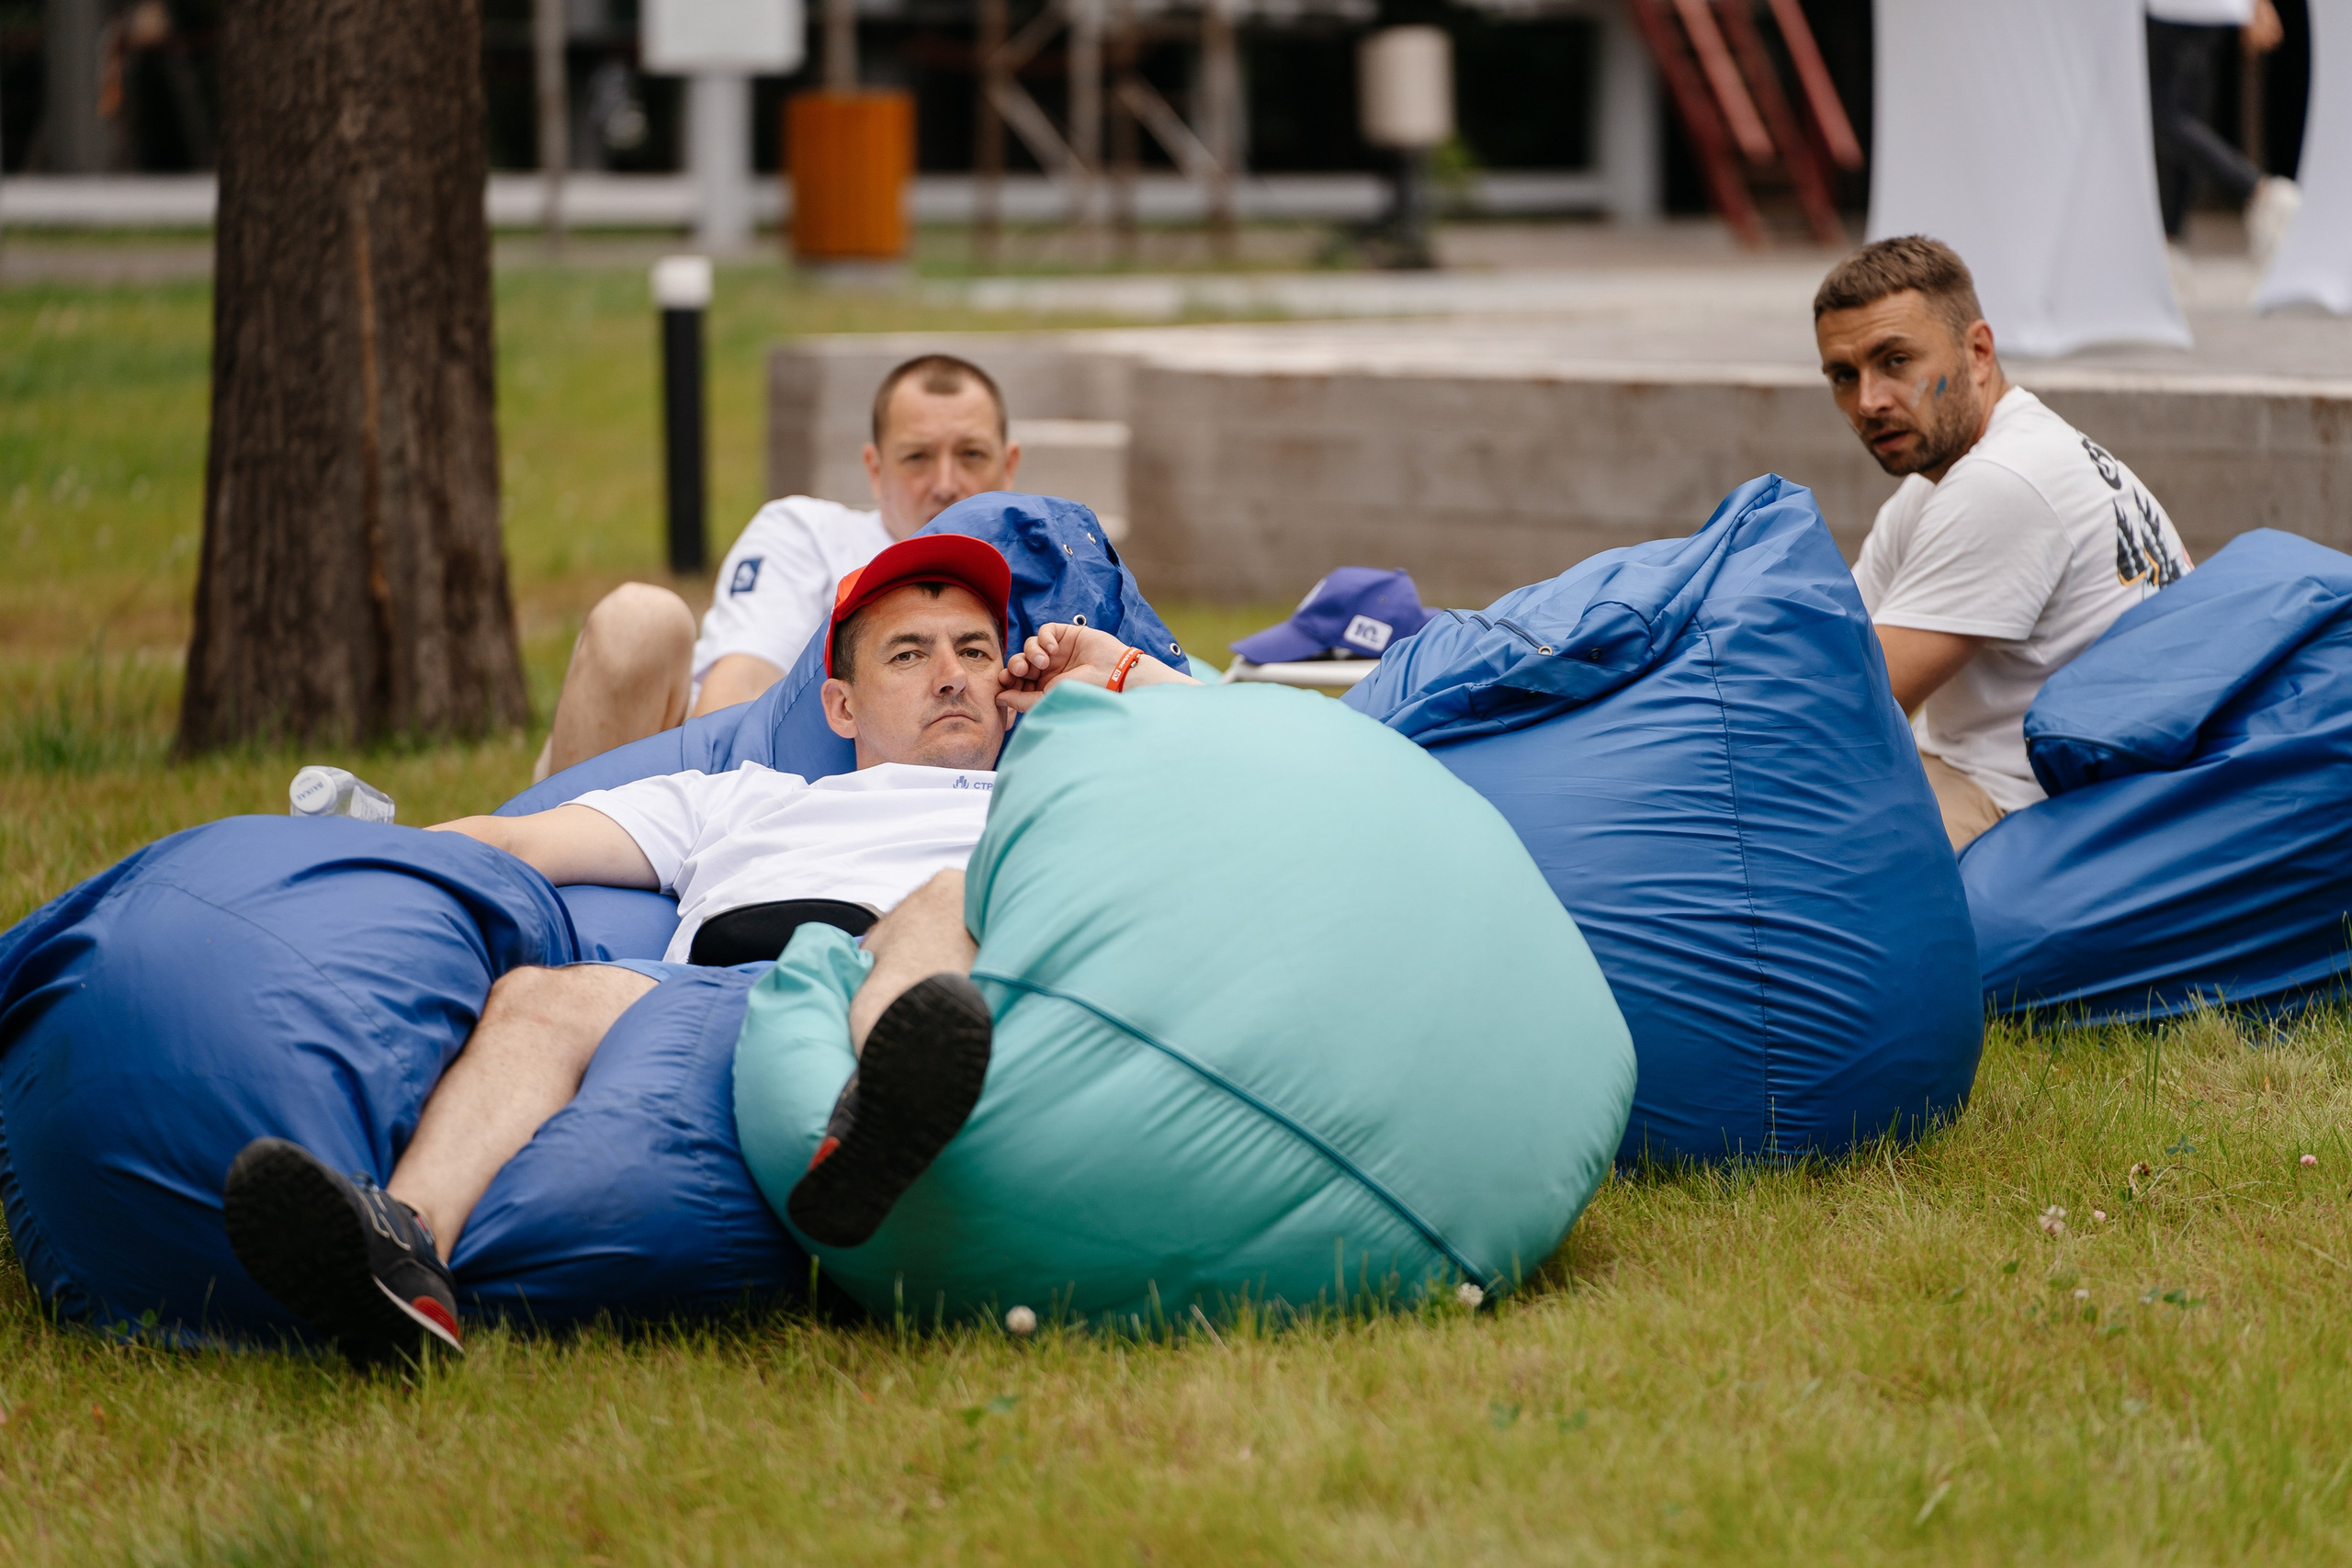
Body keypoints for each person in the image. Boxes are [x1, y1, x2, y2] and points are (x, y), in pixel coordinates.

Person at [215, 535, 1178, 1368]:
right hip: (700, 993)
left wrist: (1114, 673)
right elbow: (520, 842)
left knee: (945, 896)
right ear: (839, 707)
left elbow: (1255, 759)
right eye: (909, 654)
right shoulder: (742, 793)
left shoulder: (1046, 787)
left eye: (975, 650)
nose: (952, 674)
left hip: (882, 990)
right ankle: (401, 1254)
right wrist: (343, 855)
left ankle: (872, 1123)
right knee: (538, 997)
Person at [1813, 236, 2195, 853]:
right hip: (1987, 766)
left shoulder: (2005, 482)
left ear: (1979, 352)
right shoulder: (1942, 484)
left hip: (2030, 798)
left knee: (1775, 862)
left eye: (1895, 361)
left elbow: (1846, 702)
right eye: (1843, 375)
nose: (1868, 401)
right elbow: (1832, 643)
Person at [529, 354, 1024, 783]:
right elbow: (734, 696)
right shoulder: (805, 532)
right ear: (875, 470)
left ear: (1010, 464)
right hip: (734, 783)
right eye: (917, 457)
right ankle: (557, 852)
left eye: (971, 455)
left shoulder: (1056, 568)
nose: (946, 482)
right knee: (637, 620)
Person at [2146, 0, 2300, 264]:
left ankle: (2258, 189)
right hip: (2215, 9)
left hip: (2172, 9)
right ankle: (2171, 243)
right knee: (2185, 117)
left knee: (2162, 113)